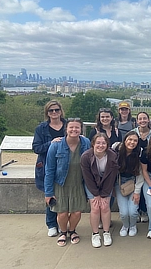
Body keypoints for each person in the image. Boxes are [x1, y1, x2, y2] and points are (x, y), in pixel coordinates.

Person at [44, 118, 91, 247]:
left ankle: (72, 231)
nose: (74, 130)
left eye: (77, 127)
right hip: (60, 184)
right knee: (62, 212)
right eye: (71, 127)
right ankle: (63, 232)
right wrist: (48, 192)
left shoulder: (86, 143)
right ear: (66, 129)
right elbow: (49, 170)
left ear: (81, 129)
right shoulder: (56, 145)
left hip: (78, 183)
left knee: (77, 212)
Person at [32, 100, 66, 237]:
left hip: (65, 165)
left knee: (64, 196)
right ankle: (51, 224)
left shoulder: (68, 125)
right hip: (47, 165)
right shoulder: (41, 129)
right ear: (47, 113)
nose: (54, 113)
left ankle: (63, 223)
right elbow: (36, 148)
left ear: (60, 111)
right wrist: (50, 143)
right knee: (50, 195)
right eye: (51, 111)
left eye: (56, 110)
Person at [81, 133, 119, 248]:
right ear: (93, 144)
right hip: (91, 184)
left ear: (107, 145)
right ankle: (95, 233)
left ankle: (106, 233)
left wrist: (104, 195)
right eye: (98, 143)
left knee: (105, 206)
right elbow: (87, 178)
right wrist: (96, 195)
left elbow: (112, 177)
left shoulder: (112, 156)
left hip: (107, 184)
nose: (100, 145)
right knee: (95, 207)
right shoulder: (86, 157)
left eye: (103, 143)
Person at [115, 131, 144, 237]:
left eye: (135, 140)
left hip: (133, 183)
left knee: (132, 211)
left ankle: (132, 226)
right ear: (125, 140)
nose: (132, 142)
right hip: (119, 183)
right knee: (123, 212)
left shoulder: (139, 153)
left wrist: (137, 192)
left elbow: (140, 175)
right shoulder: (116, 149)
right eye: (130, 139)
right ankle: (125, 226)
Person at [132, 111, 151, 223]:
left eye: (144, 118)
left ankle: (144, 211)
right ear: (137, 121)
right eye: (140, 119)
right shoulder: (132, 133)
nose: (142, 121)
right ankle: (135, 211)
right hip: (135, 165)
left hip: (148, 165)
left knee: (145, 188)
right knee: (136, 189)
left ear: (148, 120)